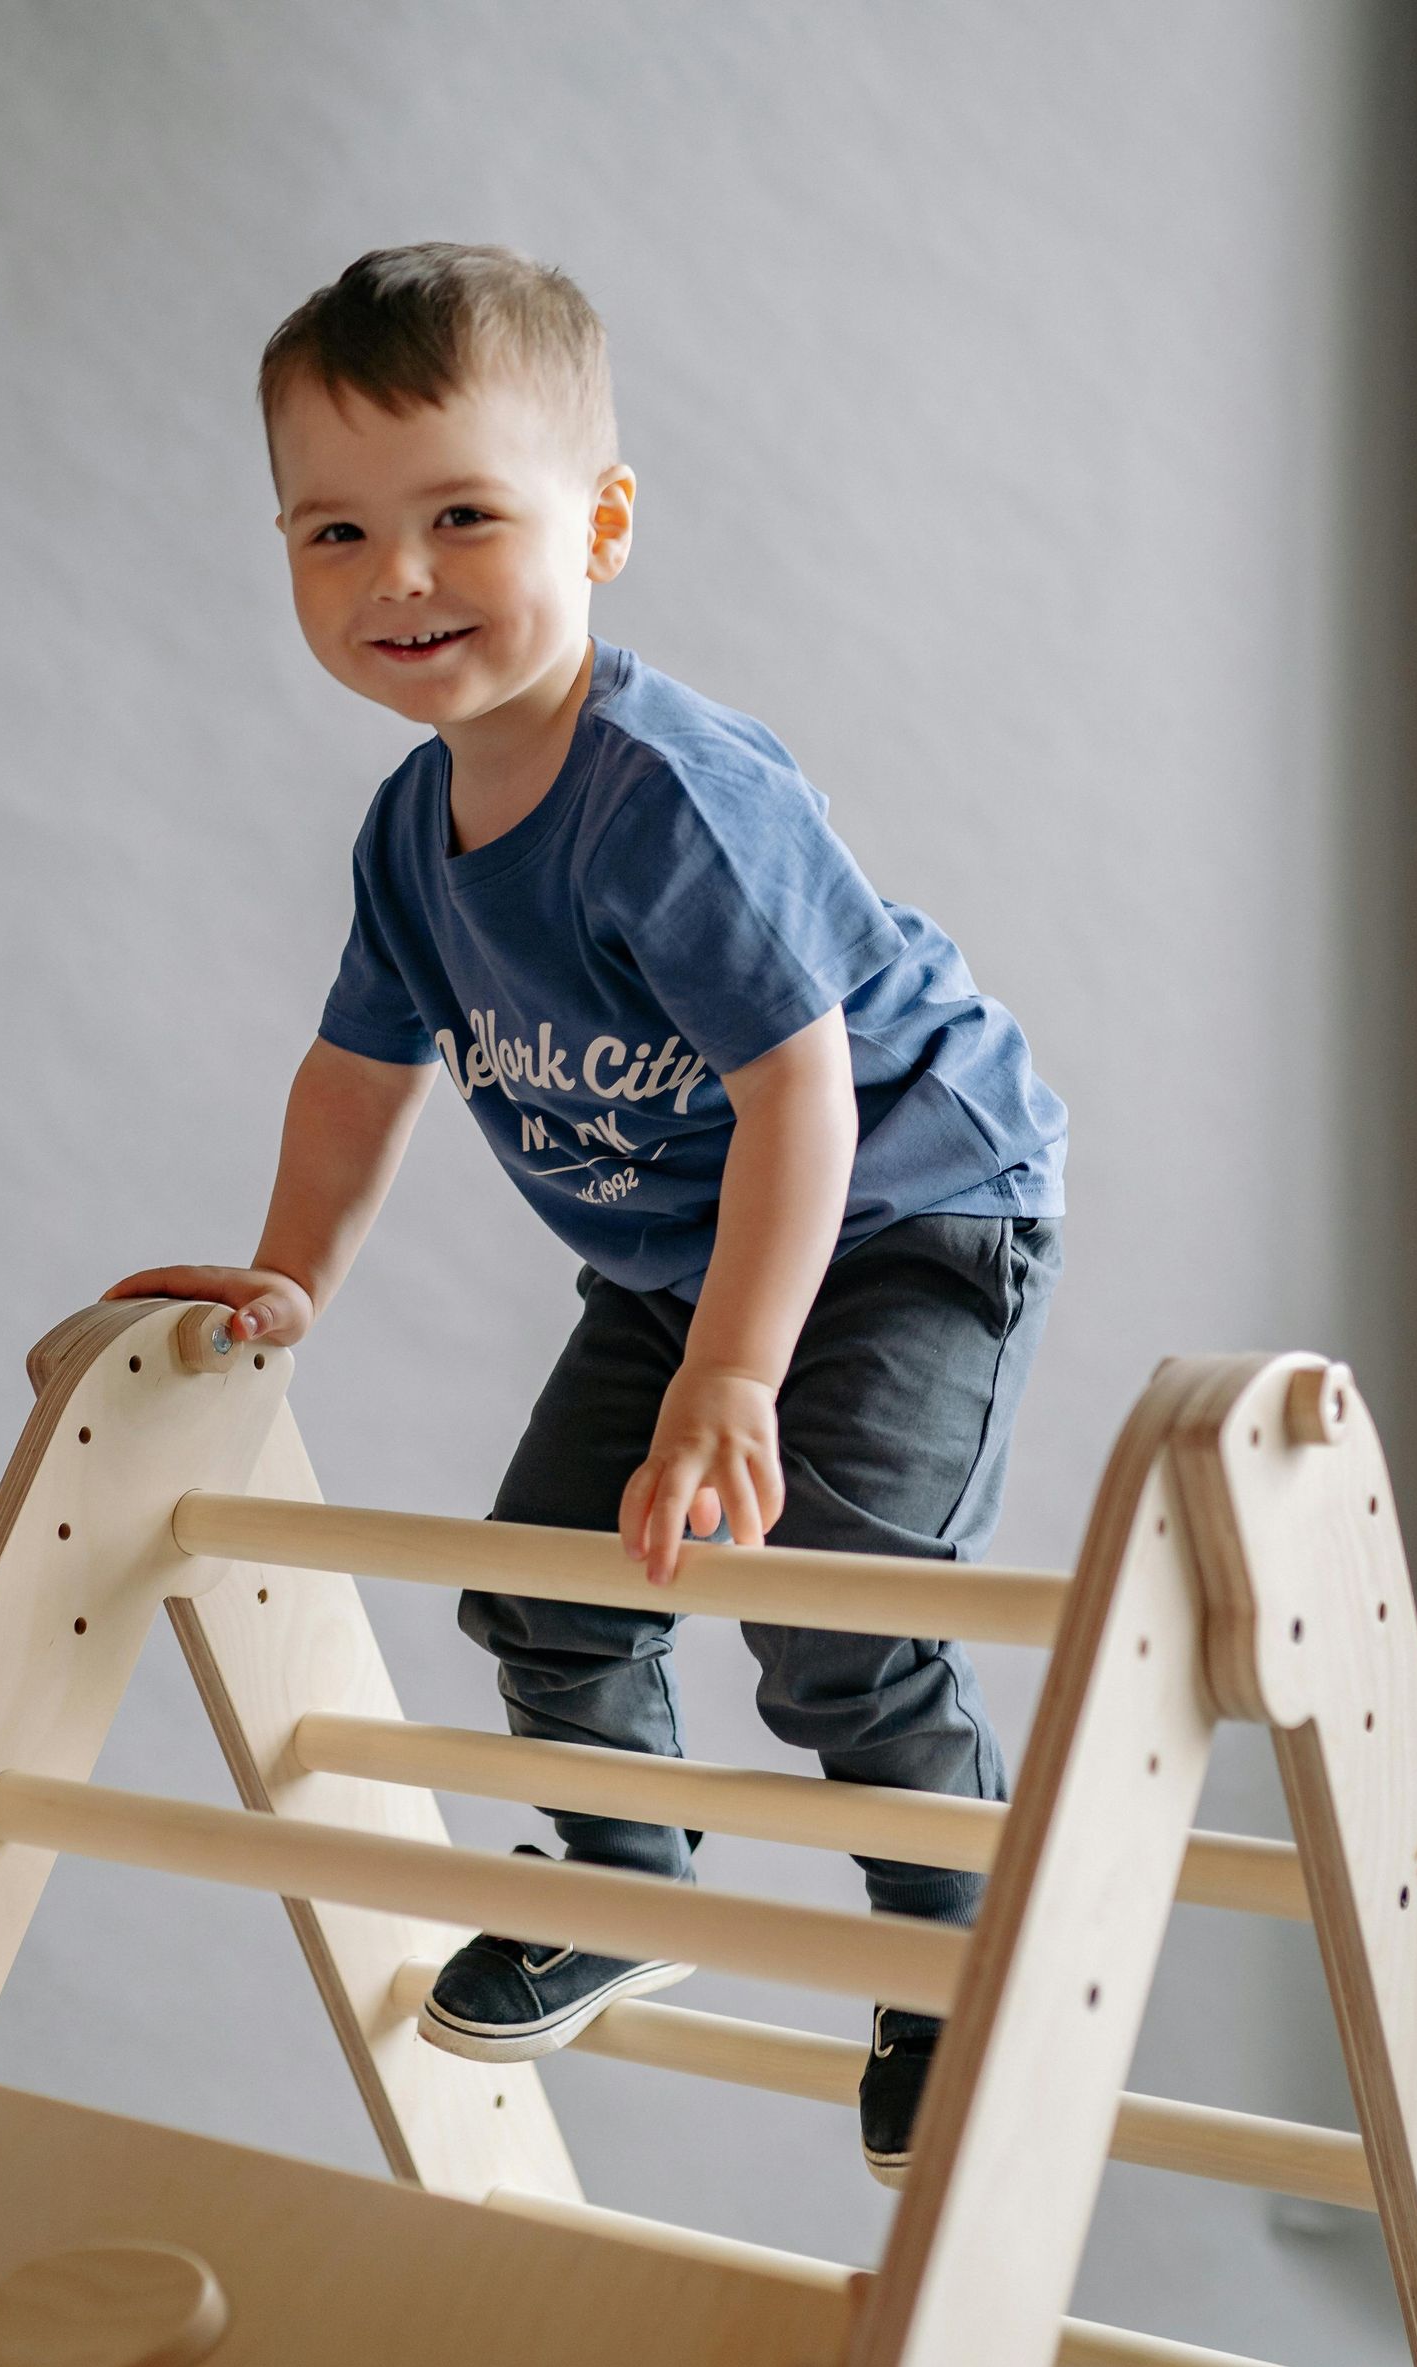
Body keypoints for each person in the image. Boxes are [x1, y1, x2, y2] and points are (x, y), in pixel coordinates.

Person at [107, 243, 1066, 2182]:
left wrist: (738, 1370)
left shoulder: (668, 800)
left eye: (464, 515)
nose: (400, 579)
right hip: (680, 1259)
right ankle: (623, 1872)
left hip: (901, 1210)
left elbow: (800, 1089)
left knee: (830, 1617)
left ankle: (958, 1972)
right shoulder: (409, 836)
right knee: (544, 1581)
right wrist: (291, 1282)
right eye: (336, 531)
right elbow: (354, 1078)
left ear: (602, 522)